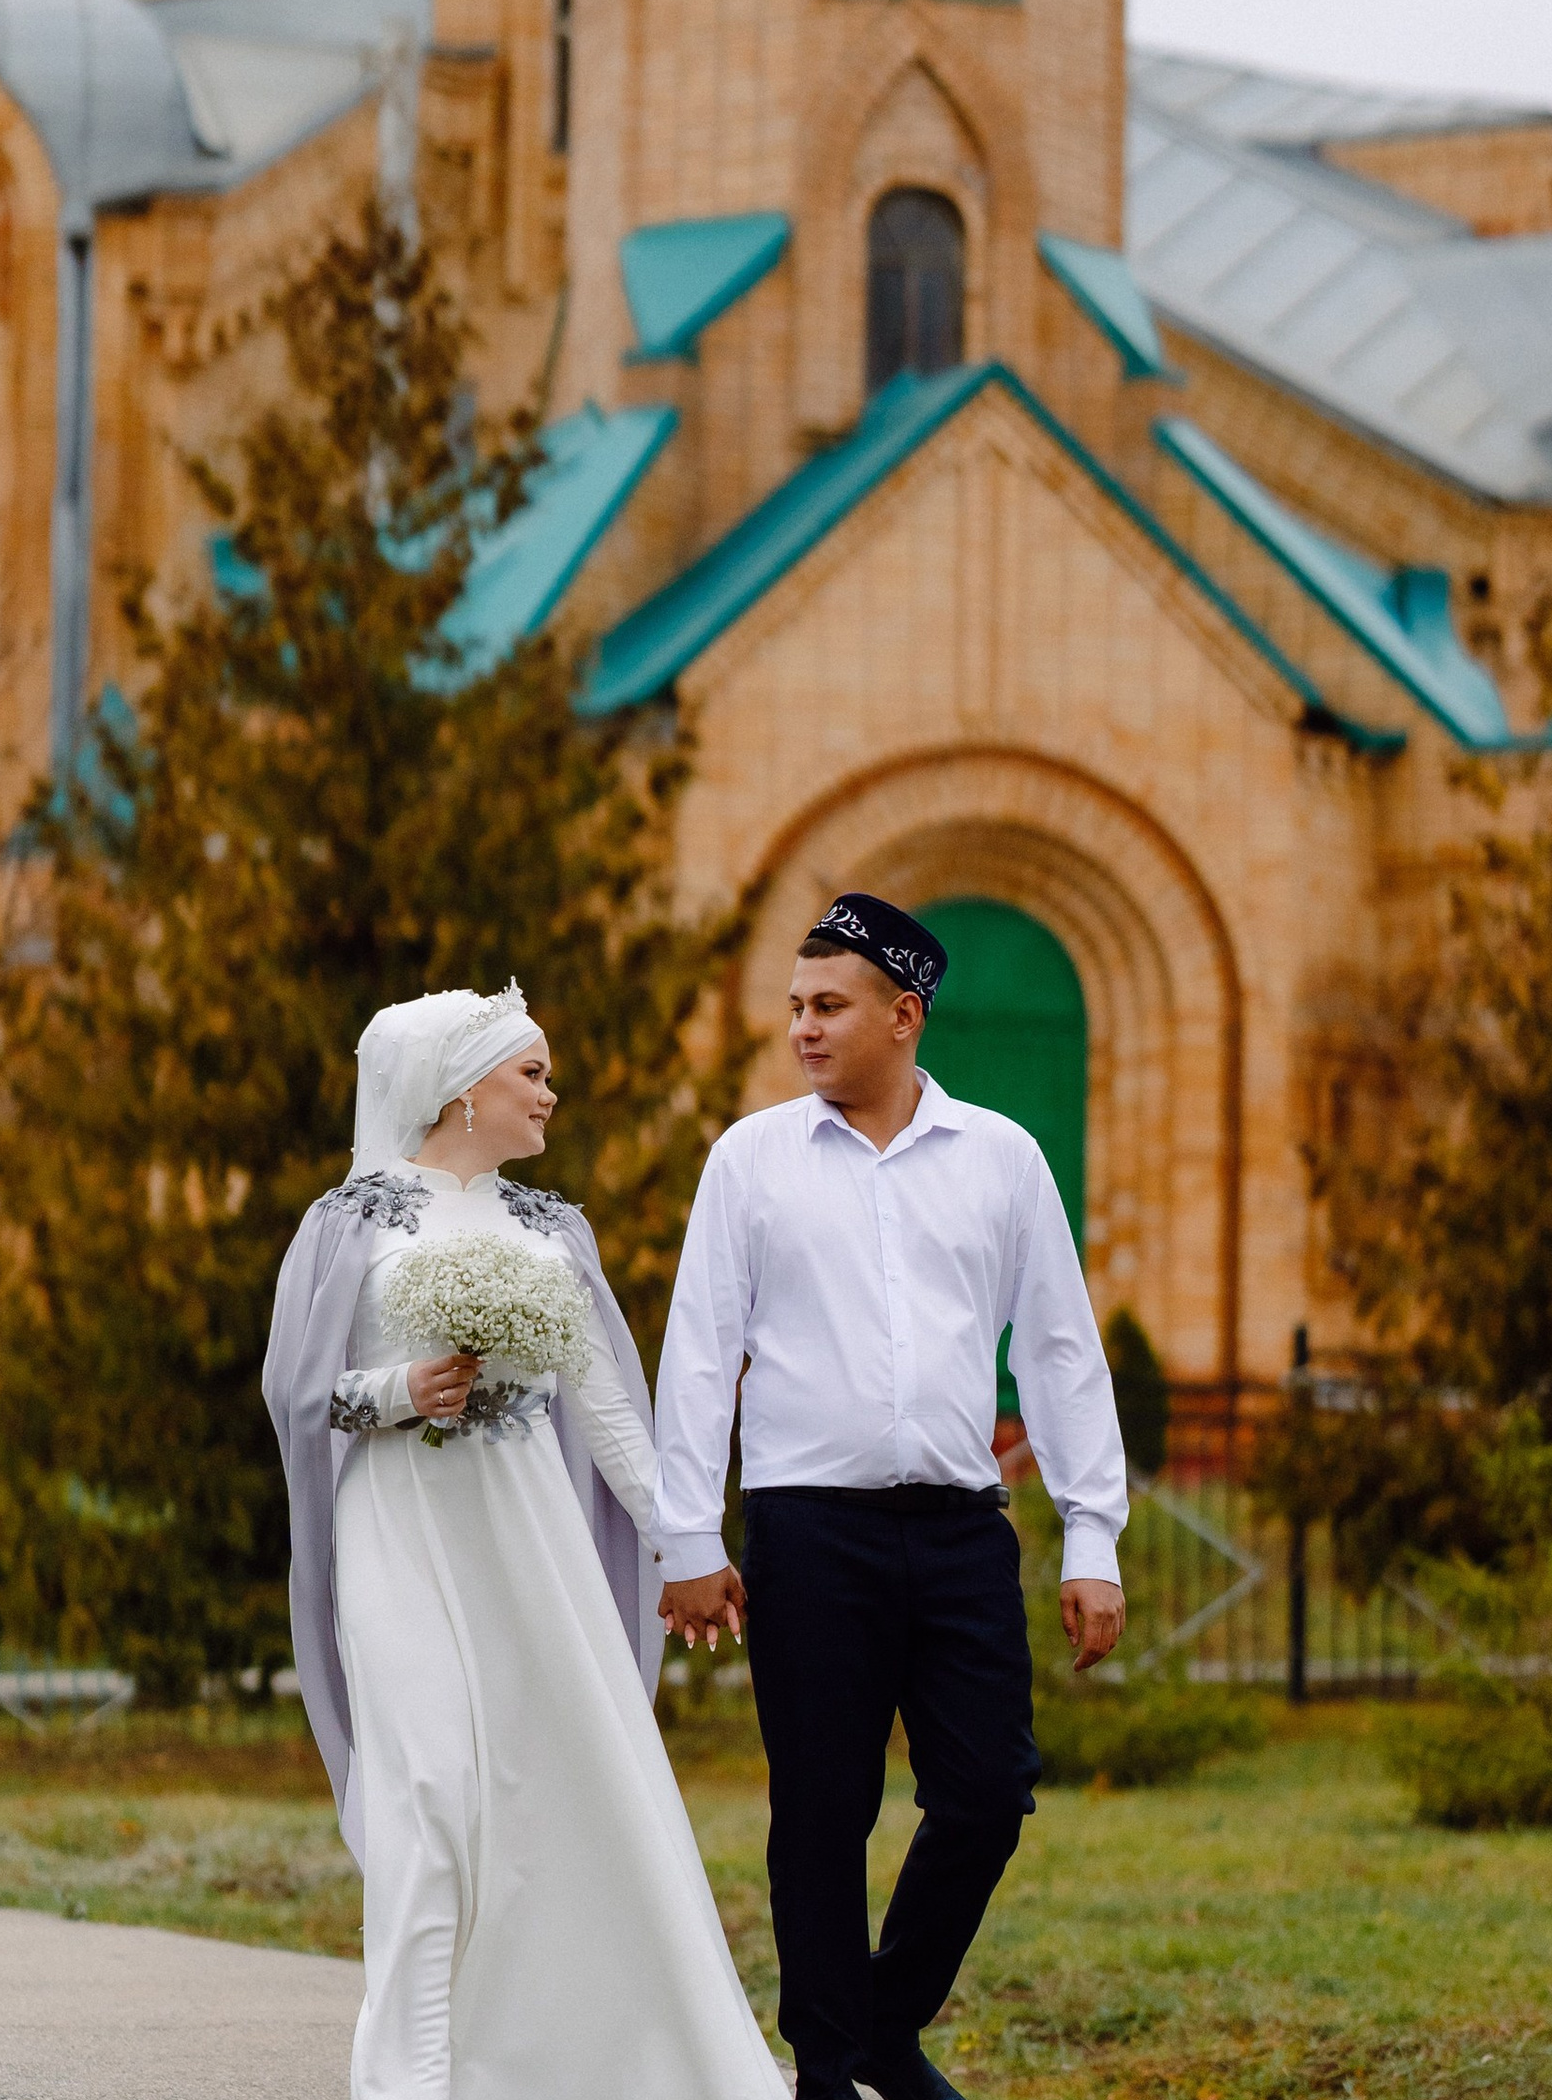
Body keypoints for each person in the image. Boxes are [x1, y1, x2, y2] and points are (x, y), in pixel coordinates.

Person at [263, 981, 786, 2100]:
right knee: (427, 1791)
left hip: (530, 1539)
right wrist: (399, 1390)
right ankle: (408, 2082)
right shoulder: (349, 1222)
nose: (552, 1093)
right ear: (463, 1089)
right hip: (398, 1528)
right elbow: (298, 1397)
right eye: (532, 1073)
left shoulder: (553, 1231)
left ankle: (569, 2053)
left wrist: (681, 1543)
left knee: (561, 1790)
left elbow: (607, 1412)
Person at [653, 894, 1130, 2100]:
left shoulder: (1002, 1159)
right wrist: (687, 1535)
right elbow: (700, 1351)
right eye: (795, 1007)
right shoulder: (750, 1160)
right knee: (823, 1809)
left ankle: (878, 2023)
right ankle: (828, 2073)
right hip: (810, 1529)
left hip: (963, 1529)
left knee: (988, 1793)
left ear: (903, 1015)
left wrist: (1094, 1535)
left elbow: (1060, 1349)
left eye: (829, 1005)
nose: (803, 1028)